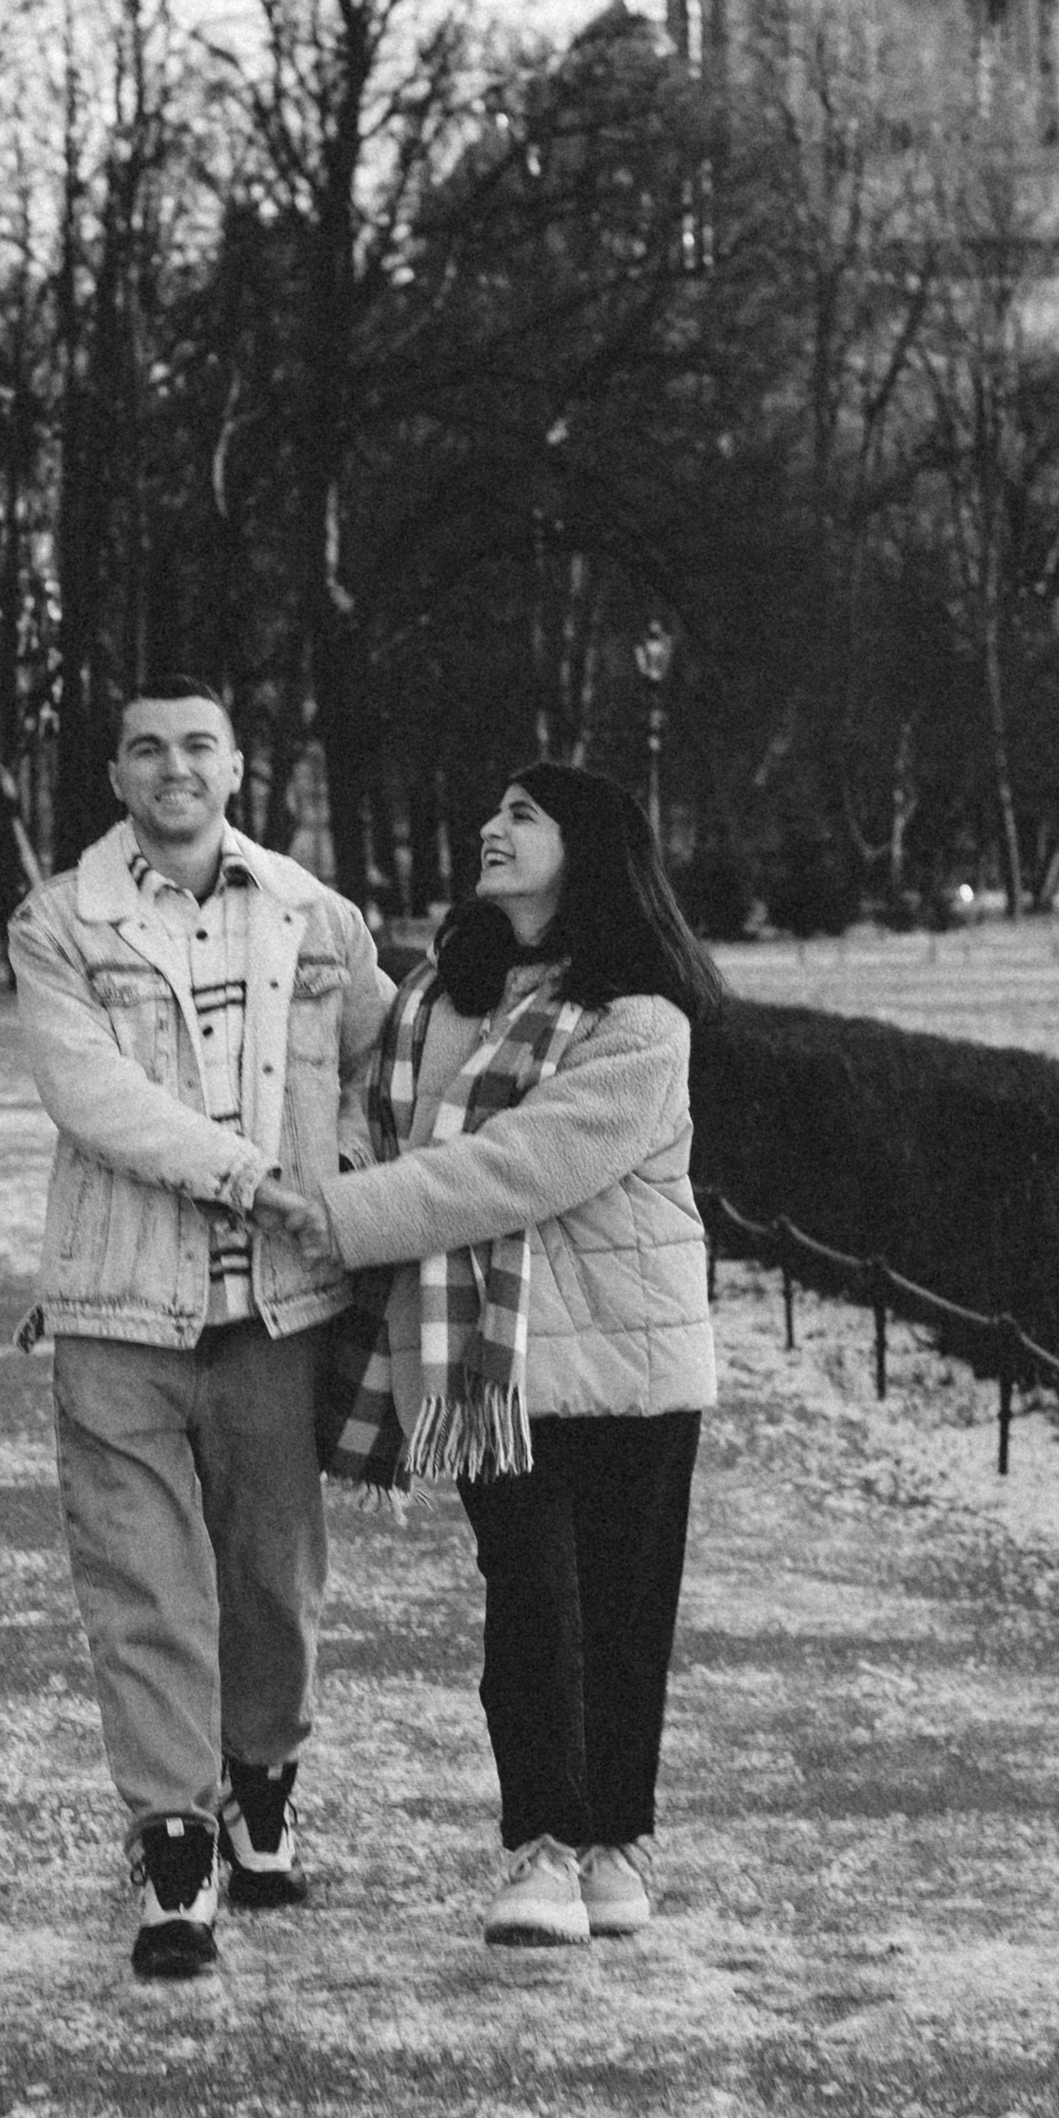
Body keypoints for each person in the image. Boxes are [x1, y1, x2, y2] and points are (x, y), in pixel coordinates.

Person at [257, 763, 719, 1949]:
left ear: (592, 847)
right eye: (492, 812)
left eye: (523, 816)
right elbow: (369, 1104)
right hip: (485, 1370)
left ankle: (619, 1839)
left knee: (625, 1607)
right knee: (528, 1602)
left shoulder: (639, 1019)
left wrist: (357, 1218)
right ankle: (545, 1849)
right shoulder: (435, 996)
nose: (489, 829)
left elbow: (523, 1165)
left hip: (624, 1356)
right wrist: (342, 1174)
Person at [10, 676, 393, 1979]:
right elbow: (88, 1094)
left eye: (197, 746)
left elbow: (389, 1058)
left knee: (275, 1576)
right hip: (119, 1300)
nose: (172, 768)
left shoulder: (309, 912)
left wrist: (348, 1162)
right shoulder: (61, 923)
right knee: (143, 1583)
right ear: (116, 777)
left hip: (277, 1306)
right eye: (145, 750)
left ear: (238, 768)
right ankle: (174, 1846)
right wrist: (246, 1172)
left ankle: (263, 1773)